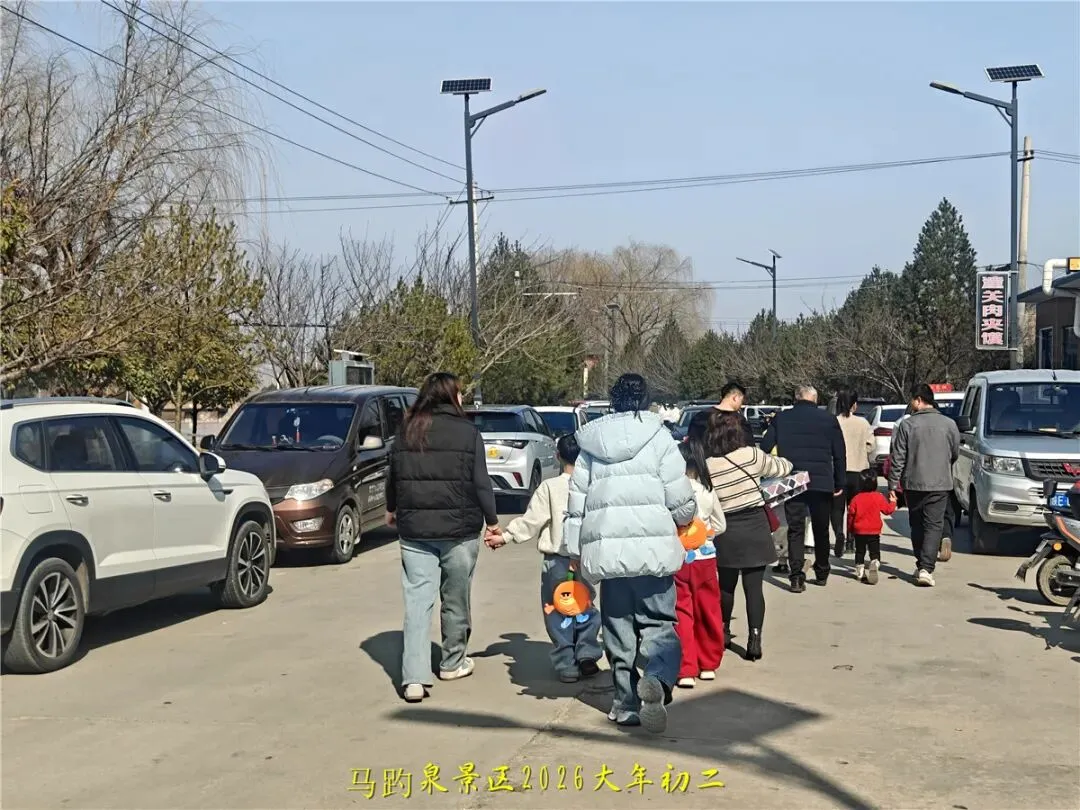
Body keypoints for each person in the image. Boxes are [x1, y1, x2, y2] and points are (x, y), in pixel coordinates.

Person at [565, 373, 697, 734]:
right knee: (660, 626)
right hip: (654, 553)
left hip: (609, 555)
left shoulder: (591, 443)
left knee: (618, 630)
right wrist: (685, 518)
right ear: (645, 399)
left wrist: (575, 550)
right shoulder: (659, 437)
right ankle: (657, 679)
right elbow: (680, 499)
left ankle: (625, 704)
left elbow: (577, 504)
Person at [386, 372, 503, 703]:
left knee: (417, 603)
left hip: (414, 531)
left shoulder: (406, 430)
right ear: (451, 396)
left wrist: (392, 508)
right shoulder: (468, 432)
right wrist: (493, 522)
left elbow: (394, 475)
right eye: (460, 393)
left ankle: (414, 679)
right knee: (456, 598)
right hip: (459, 531)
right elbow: (481, 482)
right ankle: (452, 662)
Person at [493, 434, 602, 684]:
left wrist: (506, 536)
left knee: (557, 609)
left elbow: (531, 521)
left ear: (557, 456)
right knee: (585, 603)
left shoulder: (549, 488)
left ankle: (567, 664)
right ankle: (586, 652)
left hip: (557, 560)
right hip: (585, 558)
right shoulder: (593, 486)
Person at [706, 410, 794, 661]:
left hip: (726, 529)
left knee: (726, 586)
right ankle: (754, 639)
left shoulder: (709, 464)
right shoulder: (751, 455)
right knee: (754, 588)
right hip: (755, 525)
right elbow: (783, 467)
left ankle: (723, 631)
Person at [761, 385, 845, 592]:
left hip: (793, 480)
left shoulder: (782, 418)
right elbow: (839, 454)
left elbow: (765, 446)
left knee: (796, 529)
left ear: (796, 398)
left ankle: (796, 576)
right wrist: (839, 482)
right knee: (821, 529)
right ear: (815, 399)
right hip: (821, 481)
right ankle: (822, 571)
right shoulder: (828, 419)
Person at [887, 384, 960, 587]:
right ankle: (926, 568)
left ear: (918, 400)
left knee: (917, 524)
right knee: (934, 525)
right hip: (940, 483)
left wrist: (893, 484)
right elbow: (955, 452)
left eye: (912, 400)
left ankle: (922, 564)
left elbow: (898, 457)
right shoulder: (949, 424)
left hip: (914, 483)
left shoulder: (907, 425)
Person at [674, 442, 727, 689]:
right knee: (709, 610)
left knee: (682, 612)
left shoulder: (674, 492)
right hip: (706, 559)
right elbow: (721, 525)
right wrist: (707, 534)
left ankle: (686, 668)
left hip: (680, 559)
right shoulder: (707, 490)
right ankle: (708, 664)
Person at [832, 389, 875, 557]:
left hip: (838, 472)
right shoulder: (863, 423)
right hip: (858, 472)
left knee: (837, 508)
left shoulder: (834, 422)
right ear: (854, 405)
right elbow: (871, 446)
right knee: (855, 508)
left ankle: (838, 533)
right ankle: (851, 541)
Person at [847, 469, 897, 585]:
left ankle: (860, 570)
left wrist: (850, 529)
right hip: (874, 530)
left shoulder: (856, 498)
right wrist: (893, 501)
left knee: (860, 551)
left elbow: (850, 516)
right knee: (874, 551)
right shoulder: (878, 497)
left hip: (859, 531)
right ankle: (875, 562)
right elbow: (888, 510)